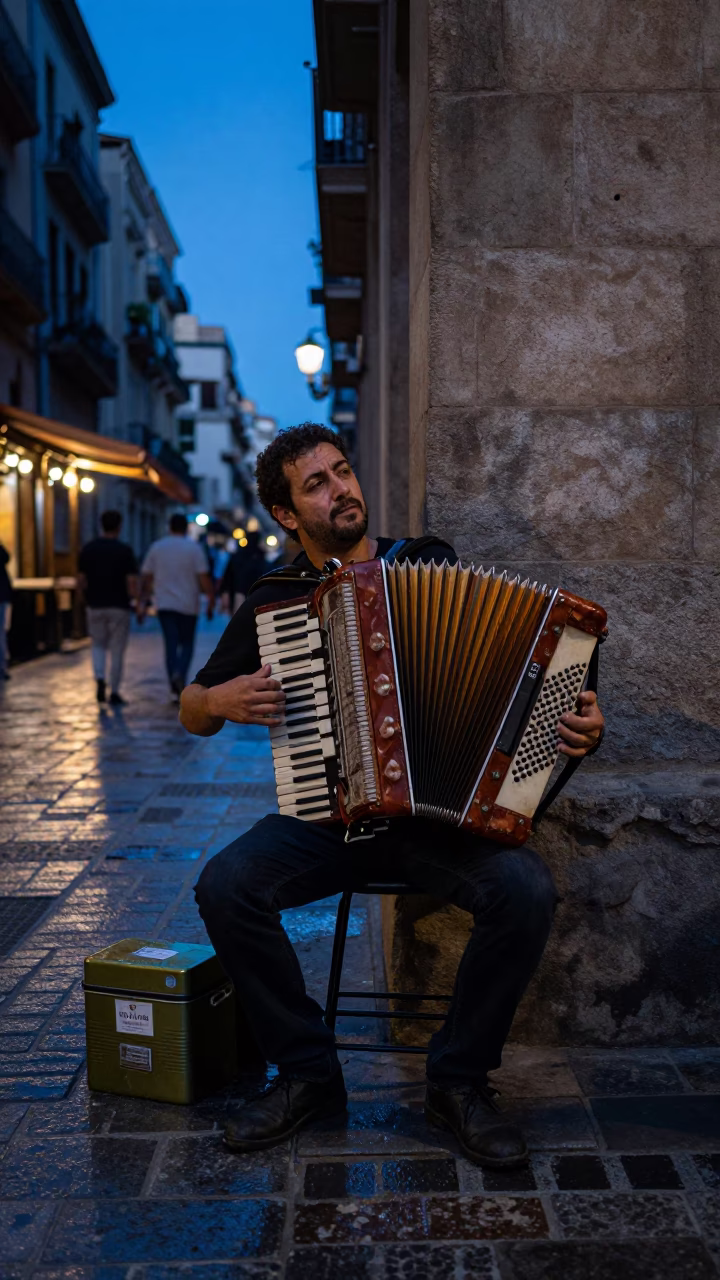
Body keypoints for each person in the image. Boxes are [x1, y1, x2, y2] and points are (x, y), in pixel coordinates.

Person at [180, 423, 605, 1167]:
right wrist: (219, 700)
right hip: (328, 819)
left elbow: (520, 680)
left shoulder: (425, 562)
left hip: (437, 826)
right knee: (225, 885)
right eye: (316, 484)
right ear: (286, 513)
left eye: (342, 471)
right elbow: (190, 708)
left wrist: (578, 724)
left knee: (525, 889)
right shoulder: (277, 599)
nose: (340, 489)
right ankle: (308, 1075)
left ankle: (458, 1083)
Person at [140, 513, 214, 700]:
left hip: (164, 604)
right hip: (189, 604)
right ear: (186, 528)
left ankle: (174, 683)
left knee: (170, 644)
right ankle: (180, 674)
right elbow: (203, 577)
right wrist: (211, 599)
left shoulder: (157, 547)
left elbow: (147, 576)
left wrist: (143, 601)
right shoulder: (194, 548)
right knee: (187, 643)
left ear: (169, 527)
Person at [78, 511, 138, 705]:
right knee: (117, 649)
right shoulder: (125, 551)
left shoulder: (88, 549)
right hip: (119, 605)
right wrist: (135, 601)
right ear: (119, 526)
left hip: (95, 604)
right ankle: (115, 690)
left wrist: (83, 600)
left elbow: (81, 580)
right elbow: (131, 581)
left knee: (97, 645)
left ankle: (100, 678)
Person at [219, 530, 267, 614]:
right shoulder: (260, 556)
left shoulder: (238, 555)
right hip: (254, 593)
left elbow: (228, 576)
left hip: (238, 591)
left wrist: (224, 591)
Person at [0, 542, 12, 680]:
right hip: (3, 596)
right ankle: (3, 667)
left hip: (2, 596)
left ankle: (2, 667)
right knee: (1, 632)